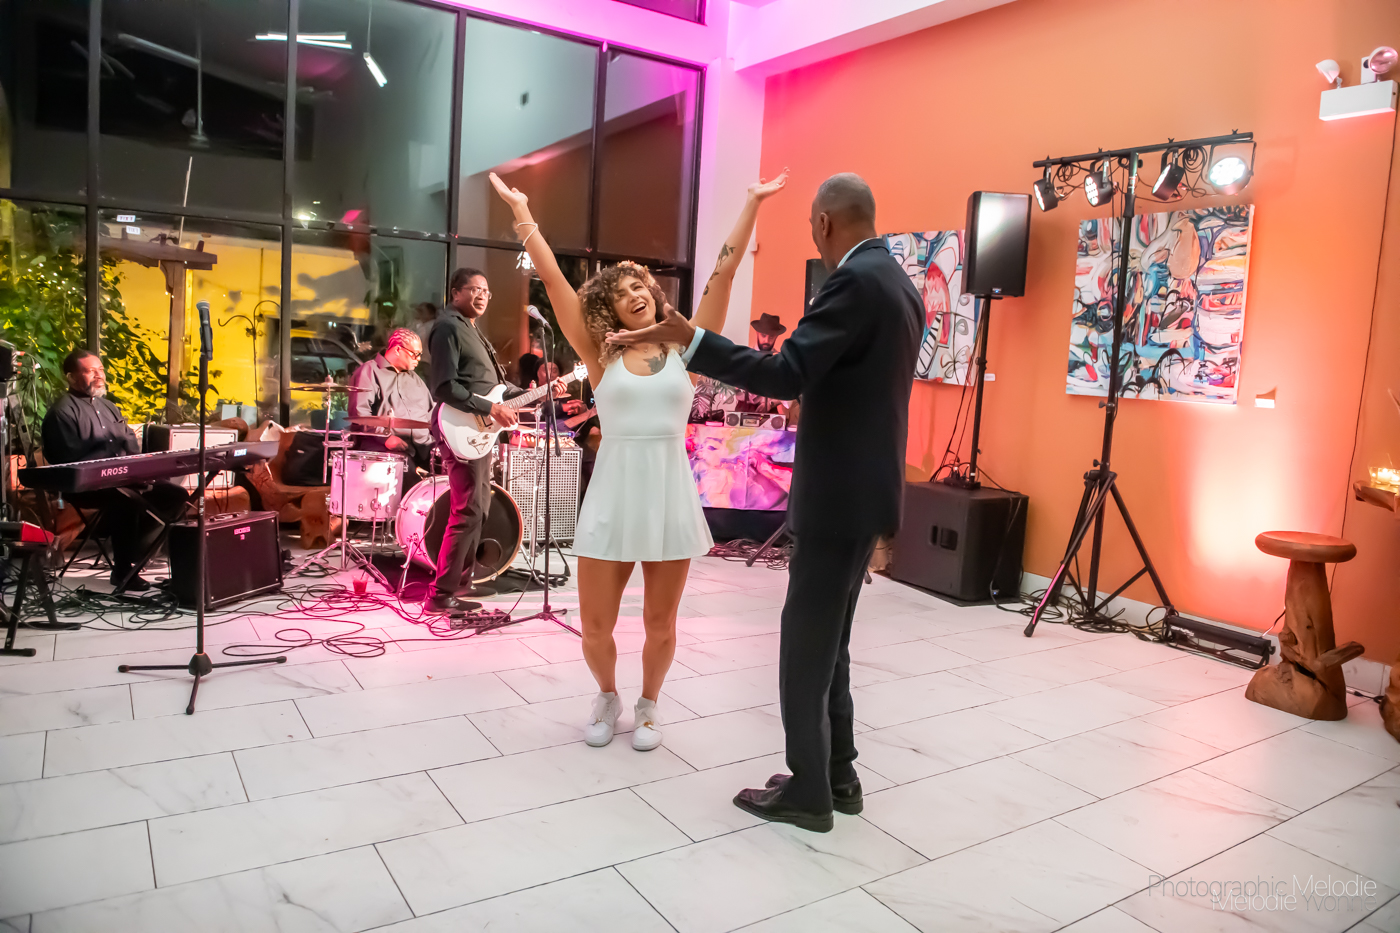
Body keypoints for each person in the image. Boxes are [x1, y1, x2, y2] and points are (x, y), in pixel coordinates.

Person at [608, 173, 921, 831]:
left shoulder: (853, 281)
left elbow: (785, 372)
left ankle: (809, 790)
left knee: (806, 644)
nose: (814, 234)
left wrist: (692, 340)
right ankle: (838, 774)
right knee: (831, 643)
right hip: (867, 490)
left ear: (825, 222)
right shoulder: (899, 282)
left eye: (811, 225)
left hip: (837, 494)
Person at [490, 166, 789, 753]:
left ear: (653, 294)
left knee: (660, 623)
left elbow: (723, 274)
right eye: (621, 293)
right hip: (614, 492)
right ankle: (607, 696)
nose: (634, 294)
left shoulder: (686, 349)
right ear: (609, 310)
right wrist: (523, 212)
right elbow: (554, 282)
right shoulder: (600, 356)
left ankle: (649, 705)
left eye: (640, 286)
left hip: (669, 494)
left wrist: (752, 203)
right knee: (595, 625)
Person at [41, 349, 190, 592]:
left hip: (122, 479)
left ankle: (168, 566)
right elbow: (70, 461)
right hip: (85, 486)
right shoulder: (62, 413)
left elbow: (129, 445)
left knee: (176, 494)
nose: (99, 375)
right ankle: (123, 571)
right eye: (90, 371)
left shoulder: (109, 407)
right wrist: (119, 474)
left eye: (100, 369)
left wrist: (140, 469)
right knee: (126, 500)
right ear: (71, 377)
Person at [348, 328, 435, 477]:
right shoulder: (370, 371)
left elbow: (431, 414)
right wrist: (385, 437)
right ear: (398, 350)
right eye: (415, 354)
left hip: (424, 448)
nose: (419, 359)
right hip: (384, 448)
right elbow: (359, 415)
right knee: (409, 474)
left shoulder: (415, 379)